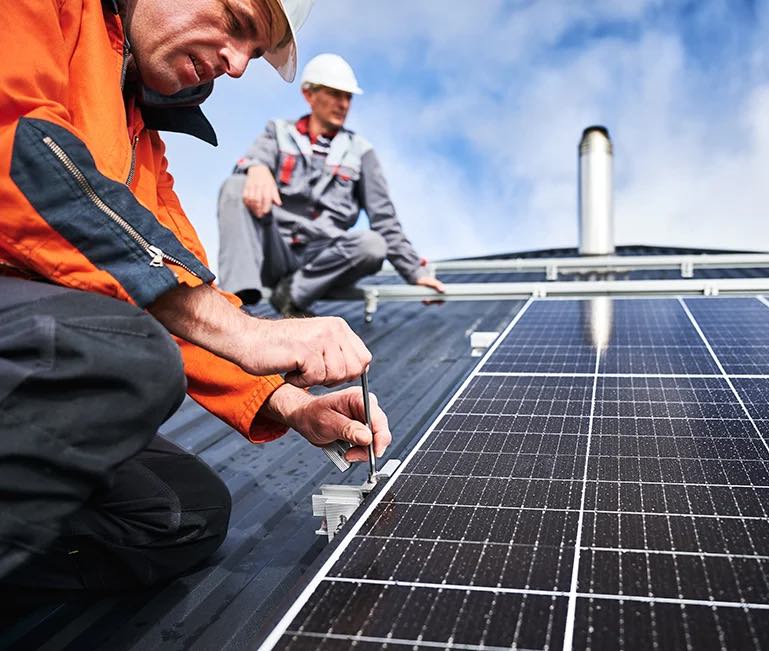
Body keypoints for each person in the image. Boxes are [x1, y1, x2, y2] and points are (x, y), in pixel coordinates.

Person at [0, 0, 390, 598]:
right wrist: (255, 335)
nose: (235, 66)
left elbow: (180, 294)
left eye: (254, 53)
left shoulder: (139, 136)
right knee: (127, 358)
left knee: (183, 514)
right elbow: (18, 151)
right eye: (235, 22)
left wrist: (288, 404)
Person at [217, 53, 446, 316]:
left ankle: (293, 295)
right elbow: (252, 163)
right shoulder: (278, 133)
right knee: (235, 186)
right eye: (335, 94)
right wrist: (255, 167)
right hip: (274, 249)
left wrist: (415, 273)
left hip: (323, 259)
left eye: (348, 97)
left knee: (373, 244)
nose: (343, 104)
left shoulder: (360, 153)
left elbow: (385, 220)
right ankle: (236, 303)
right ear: (309, 95)